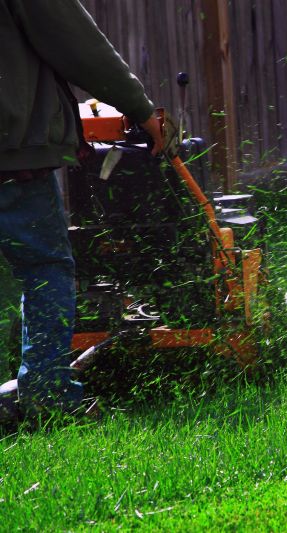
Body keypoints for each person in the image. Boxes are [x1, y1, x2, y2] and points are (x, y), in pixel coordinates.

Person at [0, 0, 163, 417]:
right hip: (11, 153)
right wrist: (142, 110)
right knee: (44, 267)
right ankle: (47, 394)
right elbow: (78, 44)